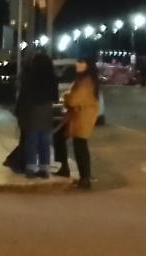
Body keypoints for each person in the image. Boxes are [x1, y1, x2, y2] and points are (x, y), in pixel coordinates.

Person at [16, 50, 59, 179]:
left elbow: (24, 94)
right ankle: (44, 168)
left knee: (32, 140)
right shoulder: (51, 77)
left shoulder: (31, 76)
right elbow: (55, 97)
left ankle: (30, 167)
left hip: (32, 110)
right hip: (46, 110)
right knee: (45, 141)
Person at [61, 58, 100, 190]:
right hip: (80, 117)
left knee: (80, 147)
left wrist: (66, 97)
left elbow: (73, 100)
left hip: (82, 118)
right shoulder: (84, 79)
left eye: (81, 62)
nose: (78, 65)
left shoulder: (86, 81)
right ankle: (82, 177)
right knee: (78, 146)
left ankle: (85, 179)